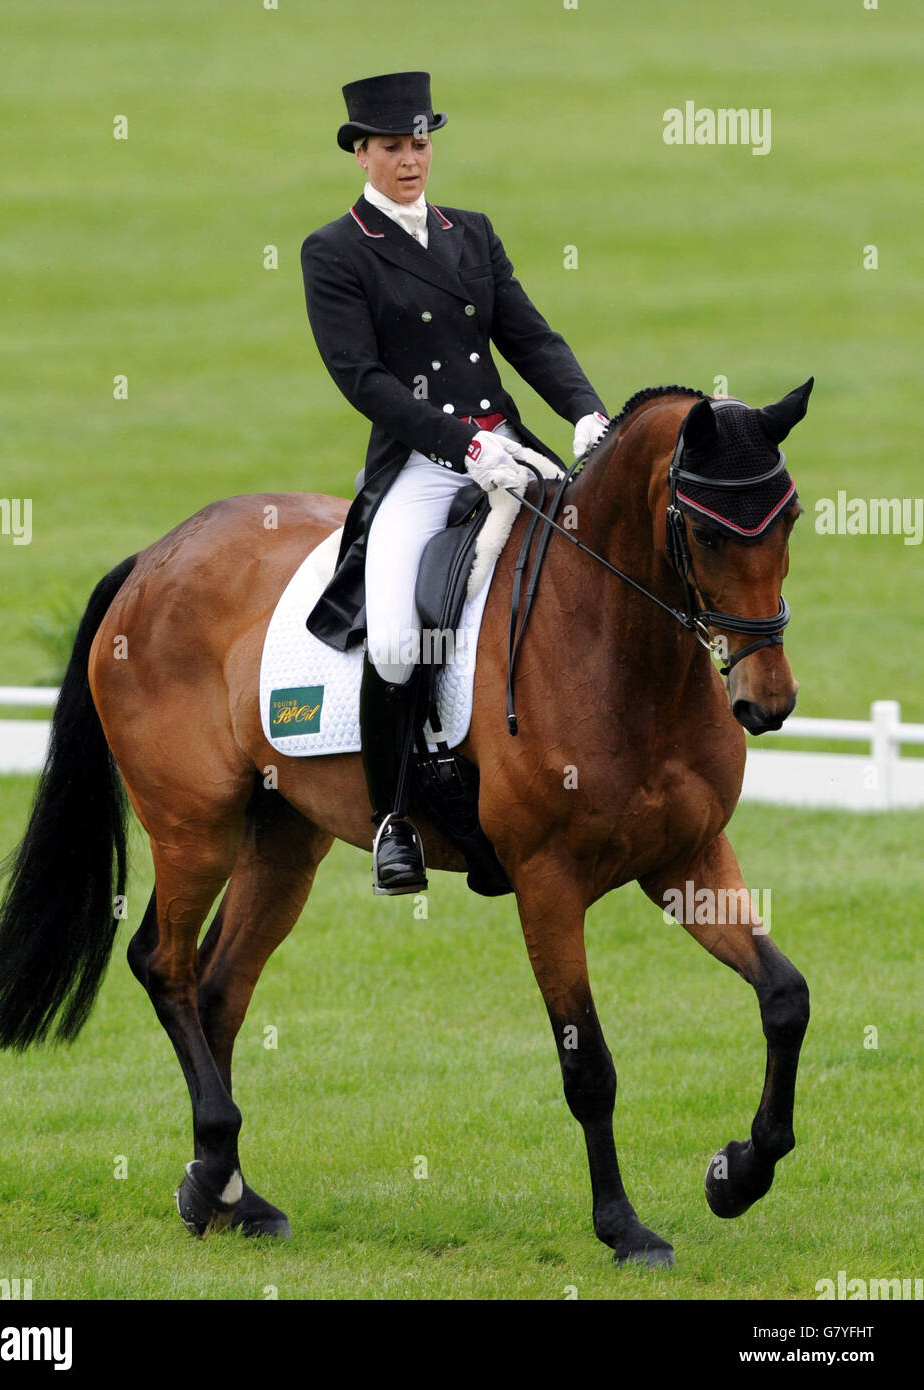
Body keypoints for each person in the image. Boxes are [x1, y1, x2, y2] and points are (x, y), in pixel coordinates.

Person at [301, 71, 608, 895]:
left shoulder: (470, 234)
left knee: (601, 567)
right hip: (422, 466)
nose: (410, 160)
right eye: (393, 147)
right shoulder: (334, 252)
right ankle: (394, 819)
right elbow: (362, 379)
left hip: (510, 448)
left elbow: (530, 337)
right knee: (401, 640)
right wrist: (459, 446)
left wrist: (584, 415)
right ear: (361, 153)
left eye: (420, 144)